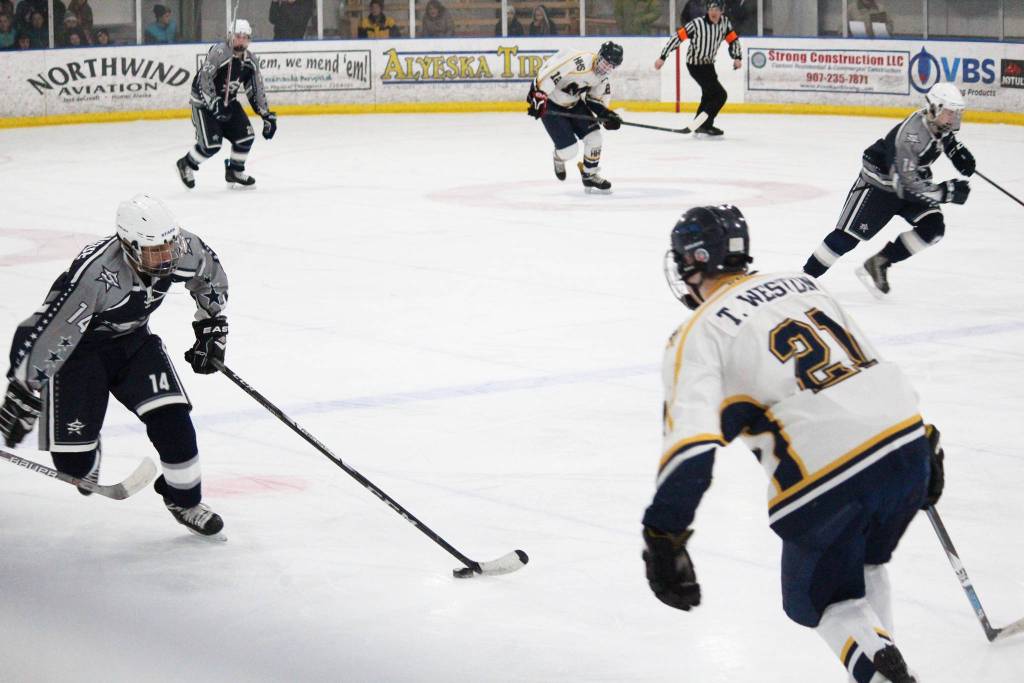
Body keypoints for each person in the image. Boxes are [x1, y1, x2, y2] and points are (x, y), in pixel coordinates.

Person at [642, 204, 945, 683]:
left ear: (695, 261)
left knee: (822, 601)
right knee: (865, 562)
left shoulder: (697, 334)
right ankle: (876, 663)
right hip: (906, 446)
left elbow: (692, 452)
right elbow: (873, 362)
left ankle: (883, 674)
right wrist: (924, 444)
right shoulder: (803, 284)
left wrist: (663, 535)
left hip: (829, 477)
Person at [0, 194, 229, 538]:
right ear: (128, 245)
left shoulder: (181, 247)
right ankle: (84, 449)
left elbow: (209, 276)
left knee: (174, 421)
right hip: (76, 352)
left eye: (168, 247)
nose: (165, 258)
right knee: (76, 470)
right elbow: (54, 331)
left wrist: (211, 327)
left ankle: (184, 499)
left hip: (133, 343)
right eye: (154, 252)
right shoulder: (96, 276)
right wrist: (27, 387)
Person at [802, 83, 973, 297]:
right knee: (846, 239)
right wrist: (944, 192)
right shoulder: (911, 135)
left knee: (933, 228)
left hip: (910, 184)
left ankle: (880, 262)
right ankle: (804, 278)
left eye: (956, 113)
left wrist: (956, 151)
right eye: (950, 112)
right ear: (935, 108)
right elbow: (906, 186)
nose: (953, 118)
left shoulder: (936, 123)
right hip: (879, 187)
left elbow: (942, 140)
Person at [177, 19, 277, 190]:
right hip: (203, 105)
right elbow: (204, 79)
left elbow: (255, 88)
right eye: (238, 36)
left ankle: (235, 171)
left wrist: (266, 114)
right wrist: (214, 103)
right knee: (211, 145)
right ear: (230, 36)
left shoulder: (250, 61)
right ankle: (186, 163)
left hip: (228, 102)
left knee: (246, 137)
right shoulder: (219, 52)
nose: (242, 40)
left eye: (245, 37)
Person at [527, 41, 624, 194]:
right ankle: (558, 157)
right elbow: (549, 73)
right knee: (570, 151)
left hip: (574, 103)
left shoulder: (602, 78)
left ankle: (589, 175)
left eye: (611, 66)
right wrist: (537, 95)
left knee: (595, 138)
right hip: (551, 104)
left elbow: (594, 100)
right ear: (599, 56)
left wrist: (607, 115)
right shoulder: (579, 62)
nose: (606, 68)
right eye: (605, 62)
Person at [654, 0, 742, 137]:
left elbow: (733, 40)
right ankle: (702, 124)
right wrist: (662, 57)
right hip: (695, 65)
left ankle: (702, 125)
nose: (714, 12)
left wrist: (737, 57)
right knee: (720, 95)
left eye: (717, 9)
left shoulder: (725, 23)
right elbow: (677, 38)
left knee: (709, 95)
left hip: (709, 64)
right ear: (707, 10)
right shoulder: (697, 24)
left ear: (722, 11)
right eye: (711, 9)